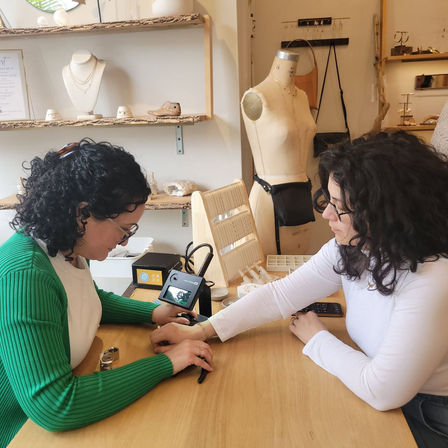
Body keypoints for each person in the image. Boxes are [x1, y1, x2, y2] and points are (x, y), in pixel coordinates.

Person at [151, 131, 448, 447]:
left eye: (340, 207)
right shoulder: (352, 248)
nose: (327, 215)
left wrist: (316, 337)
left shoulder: (433, 278)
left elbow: (382, 390)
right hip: (381, 386)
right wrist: (202, 331)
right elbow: (280, 294)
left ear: (387, 213)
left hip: (426, 412)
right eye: (328, 201)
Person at [0, 139, 212, 447]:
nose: (126, 242)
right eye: (125, 229)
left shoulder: (66, 246)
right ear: (82, 214)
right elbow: (55, 405)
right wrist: (167, 364)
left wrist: (153, 312)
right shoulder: (27, 274)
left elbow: (88, 299)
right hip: (21, 430)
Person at [241, 49, 317, 255]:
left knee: (298, 268)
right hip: (269, 199)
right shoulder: (256, 96)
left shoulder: (302, 96)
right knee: (270, 272)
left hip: (302, 195)